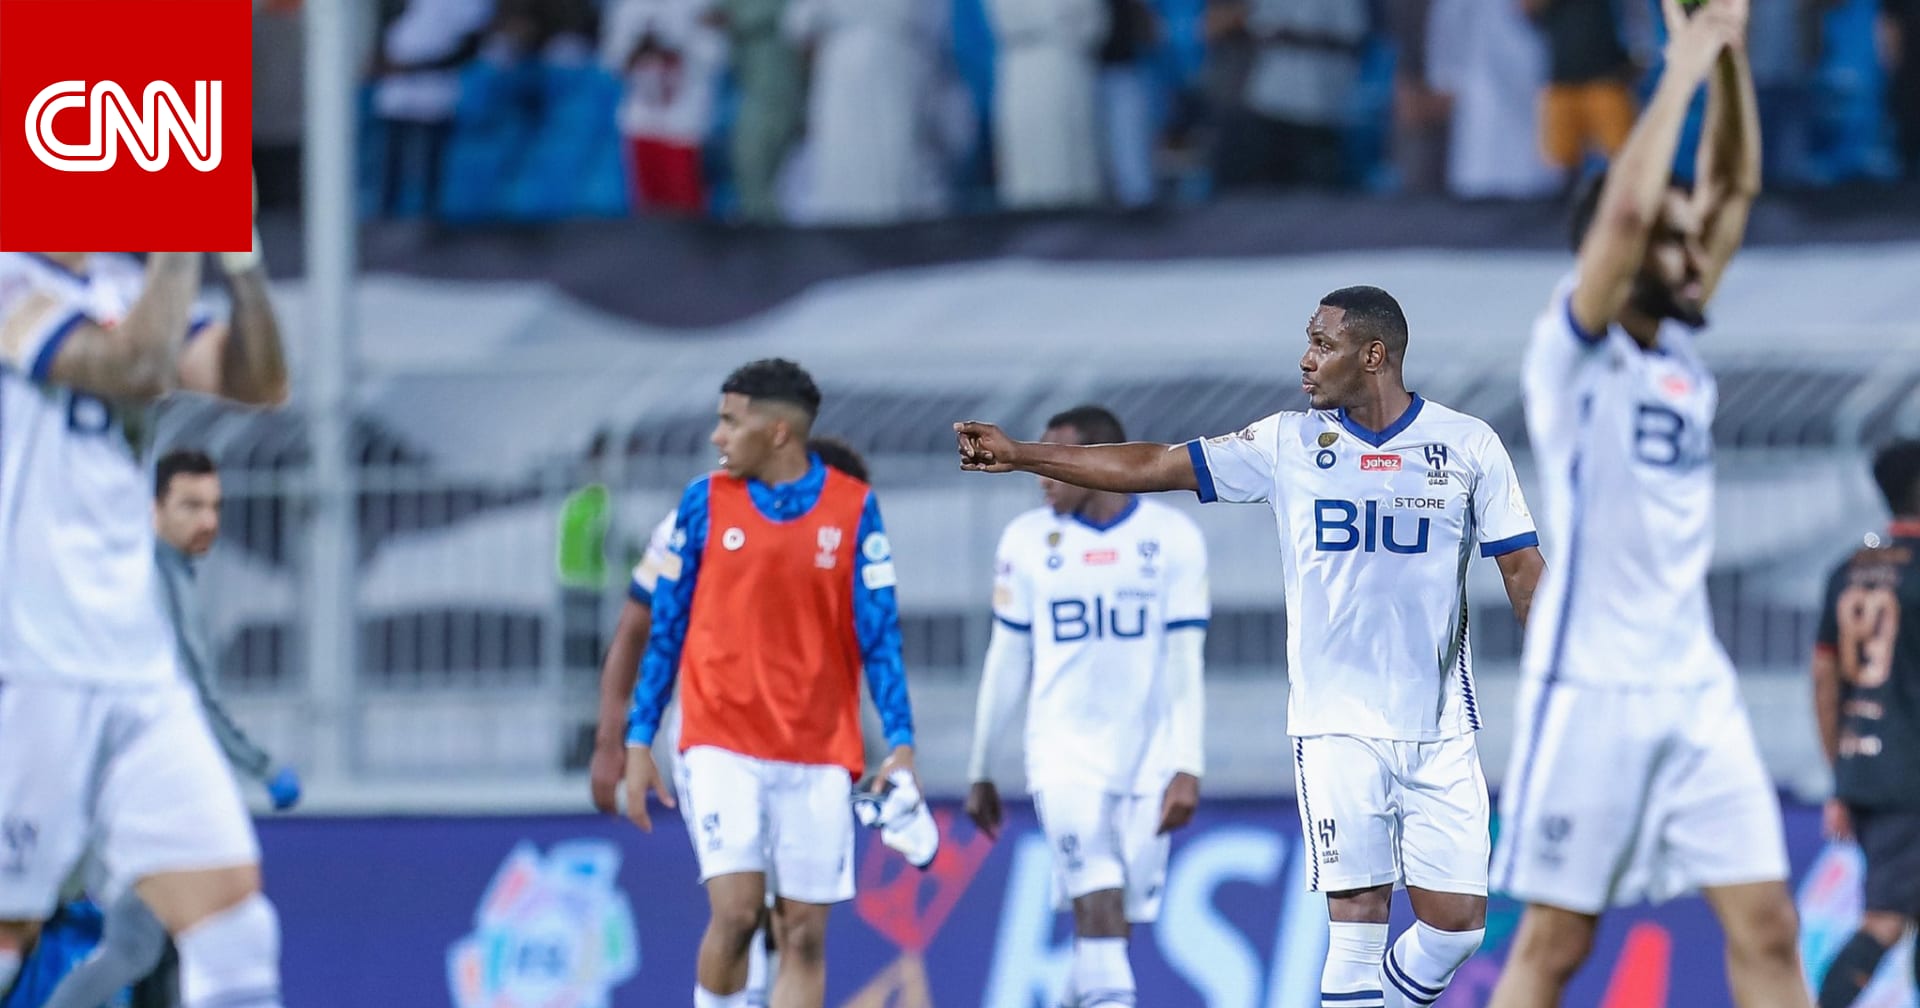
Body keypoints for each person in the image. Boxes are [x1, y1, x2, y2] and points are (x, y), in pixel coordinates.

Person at [955, 284, 1546, 1008]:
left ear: (1373, 355)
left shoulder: (1467, 444)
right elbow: (1152, 465)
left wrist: (1563, 687)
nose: (1305, 361)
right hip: (1336, 726)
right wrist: (1023, 456)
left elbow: (1524, 572)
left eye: (1322, 345)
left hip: (1442, 728)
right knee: (1357, 924)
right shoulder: (1287, 443)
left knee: (1456, 928)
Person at [1486, 3, 1814, 1006]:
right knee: (1556, 944)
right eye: (1670, 241)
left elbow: (1735, 184)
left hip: (1694, 686)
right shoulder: (1572, 356)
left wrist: (1727, 60)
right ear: (1618, 262)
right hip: (1592, 686)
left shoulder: (1674, 351)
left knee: (1767, 925)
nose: (1691, 250)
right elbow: (1629, 216)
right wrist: (1677, 70)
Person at [0, 218, 292, 1005]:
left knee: (235, 924)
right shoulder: (10, 282)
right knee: (8, 936)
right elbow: (133, 364)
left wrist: (241, 256)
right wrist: (181, 228)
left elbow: (259, 381)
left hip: (137, 670)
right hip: (29, 662)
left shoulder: (125, 288)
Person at [623, 359, 915, 1008]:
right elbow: (663, 628)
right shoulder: (702, 503)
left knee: (805, 937)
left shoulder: (854, 510)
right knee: (738, 914)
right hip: (719, 738)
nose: (716, 436)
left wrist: (901, 740)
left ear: (778, 431)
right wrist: (638, 738)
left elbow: (880, 634)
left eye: (730, 420)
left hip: (817, 749)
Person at [590, 435, 872, 1008]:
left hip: (805, 751)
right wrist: (611, 737)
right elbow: (637, 625)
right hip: (716, 741)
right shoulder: (699, 522)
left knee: (795, 923)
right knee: (742, 912)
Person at [33, 451, 306, 1008]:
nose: (207, 520)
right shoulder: (155, 581)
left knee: (153, 945)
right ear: (154, 510)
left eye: (214, 506)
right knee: (145, 942)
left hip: (133, 792)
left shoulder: (158, 574)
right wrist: (263, 766)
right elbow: (195, 693)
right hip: (139, 797)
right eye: (190, 506)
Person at [964, 404, 1209, 1008]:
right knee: (1095, 893)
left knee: (1114, 918)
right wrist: (980, 765)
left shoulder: (1172, 537)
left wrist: (1187, 761)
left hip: (1149, 757)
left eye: (1060, 461)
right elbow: (1006, 658)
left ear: (1098, 463)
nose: (1045, 474)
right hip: (1062, 753)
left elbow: (1185, 660)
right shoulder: (1025, 541)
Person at [1809, 440, 1920, 1008]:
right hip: (1912, 772)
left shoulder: (1849, 570)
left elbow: (1825, 676)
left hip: (1869, 771)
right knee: (1884, 920)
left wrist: (1843, 775)